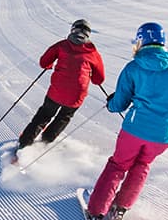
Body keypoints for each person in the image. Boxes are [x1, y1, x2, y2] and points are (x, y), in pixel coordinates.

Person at [85, 22, 168, 220]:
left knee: (118, 165)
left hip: (135, 130)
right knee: (142, 166)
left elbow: (120, 103)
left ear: (141, 42)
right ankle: (120, 209)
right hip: (163, 135)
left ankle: (97, 212)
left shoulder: (133, 68)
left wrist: (111, 104)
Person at [15, 18, 106, 157]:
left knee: (44, 115)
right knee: (64, 117)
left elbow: (44, 62)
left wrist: (49, 65)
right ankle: (45, 141)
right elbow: (99, 79)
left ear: (73, 30)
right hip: (77, 95)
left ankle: (24, 143)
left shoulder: (62, 45)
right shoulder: (93, 53)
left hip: (56, 91)